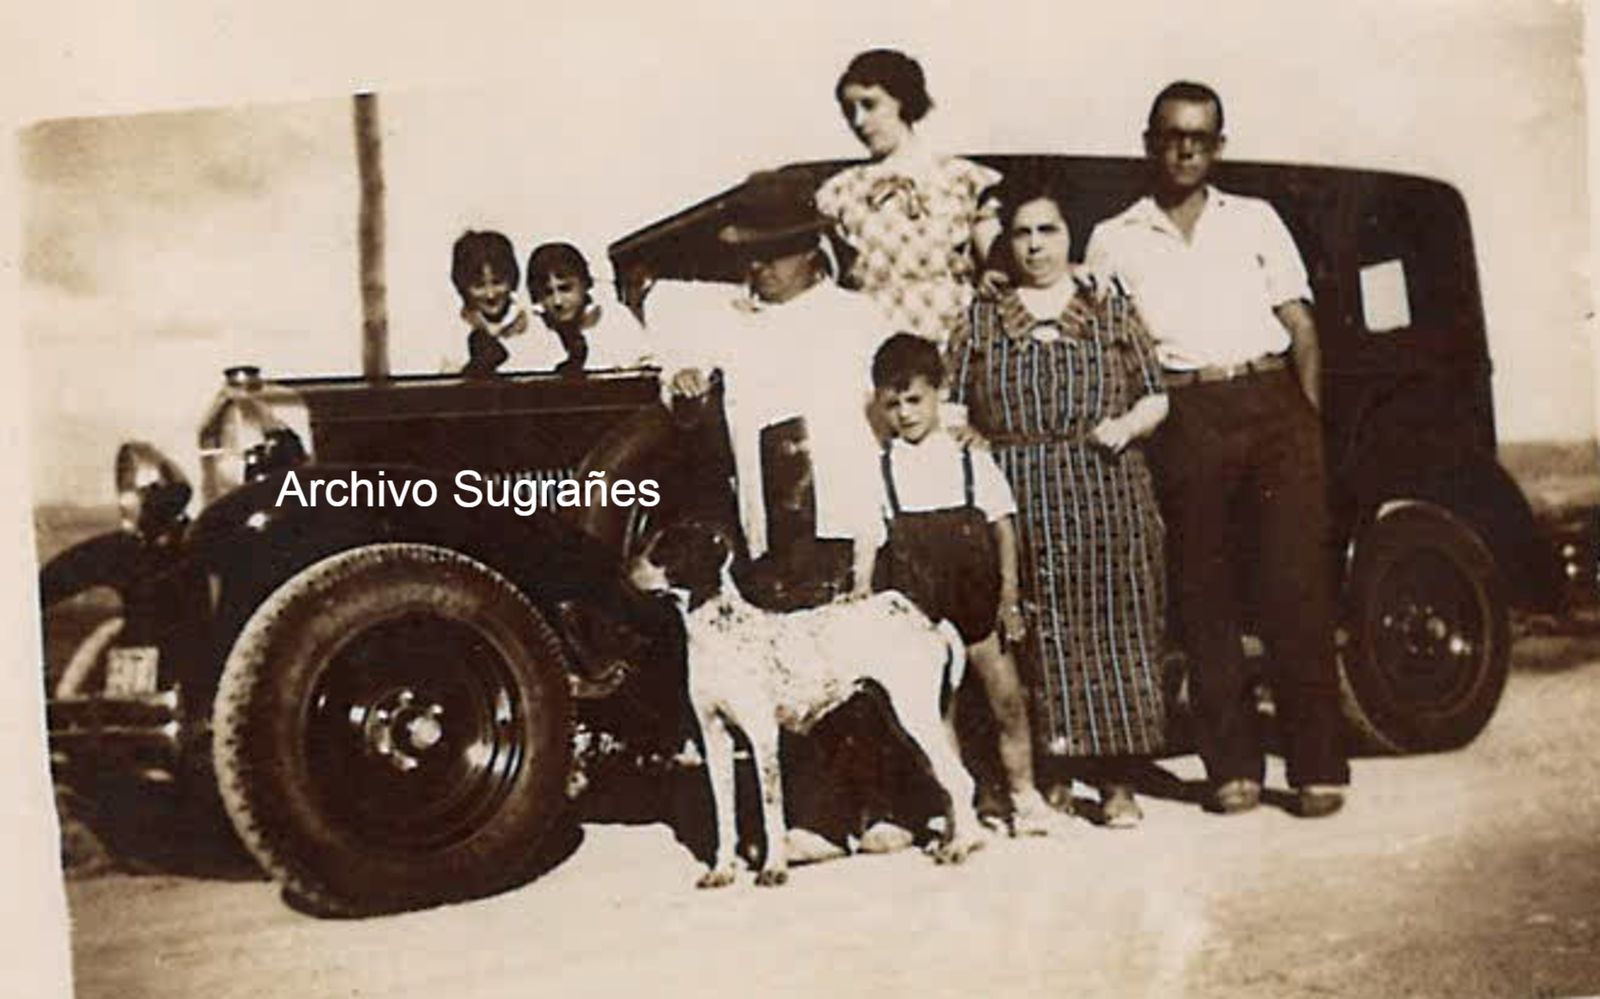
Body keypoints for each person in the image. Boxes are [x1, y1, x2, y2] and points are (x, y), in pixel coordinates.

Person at [1085, 81, 1350, 818]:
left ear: (1219, 145)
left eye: (1200, 136)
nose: (1185, 148)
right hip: (1185, 410)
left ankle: (1315, 767)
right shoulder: (1114, 236)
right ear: (1149, 141)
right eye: (1171, 135)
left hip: (1271, 405)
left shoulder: (1256, 219)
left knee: (1294, 587)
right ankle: (1231, 767)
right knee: (1204, 594)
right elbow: (1106, 345)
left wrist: (1307, 427)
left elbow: (1300, 328)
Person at [948, 174, 1170, 828]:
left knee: (1114, 628)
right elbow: (955, 406)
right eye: (1021, 233)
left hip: (1106, 486)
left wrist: (1126, 426)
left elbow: (1155, 393)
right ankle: (1049, 772)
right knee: (1033, 634)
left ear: (1070, 235)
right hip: (1017, 492)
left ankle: (1117, 780)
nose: (1035, 245)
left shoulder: (1110, 305)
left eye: (1048, 231)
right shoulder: (984, 315)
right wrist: (977, 448)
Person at [870, 332, 1067, 836]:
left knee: (1006, 698)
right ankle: (958, 804)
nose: (905, 414)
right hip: (923, 610)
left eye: (915, 399)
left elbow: (1002, 527)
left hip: (978, 597)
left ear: (940, 392)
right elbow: (873, 545)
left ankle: (1024, 795)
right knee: (939, 709)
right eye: (893, 404)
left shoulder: (968, 459)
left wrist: (1009, 597)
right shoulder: (883, 469)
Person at [657, 168, 886, 595]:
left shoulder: (859, 317)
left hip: (849, 517)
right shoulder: (728, 322)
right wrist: (682, 382)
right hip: (769, 524)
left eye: (773, 252)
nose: (759, 266)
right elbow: (679, 387)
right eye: (751, 254)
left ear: (808, 251)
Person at [815, 48, 1001, 348]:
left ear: (903, 99)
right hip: (872, 334)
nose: (859, 122)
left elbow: (1003, 265)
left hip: (955, 334)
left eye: (869, 105)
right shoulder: (839, 191)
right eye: (850, 111)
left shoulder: (962, 178)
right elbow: (818, 277)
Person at [526, 242, 654, 374]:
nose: (557, 301)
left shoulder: (616, 320)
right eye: (548, 293)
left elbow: (644, 377)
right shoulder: (536, 334)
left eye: (565, 289)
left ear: (585, 284)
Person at [446, 230, 539, 377]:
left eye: (498, 282)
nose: (490, 294)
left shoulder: (536, 330)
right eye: (479, 285)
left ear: (512, 279)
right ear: (463, 286)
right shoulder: (451, 337)